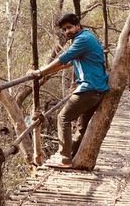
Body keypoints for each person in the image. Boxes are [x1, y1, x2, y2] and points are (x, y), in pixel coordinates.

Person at [29, 13, 109, 168]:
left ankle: (65, 159)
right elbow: (69, 62)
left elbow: (64, 57)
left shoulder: (83, 39)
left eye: (69, 28)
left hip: (89, 88)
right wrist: (45, 71)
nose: (67, 32)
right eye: (64, 30)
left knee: (63, 118)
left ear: (77, 25)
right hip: (97, 88)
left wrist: (40, 72)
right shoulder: (87, 37)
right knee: (81, 127)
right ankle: (74, 156)